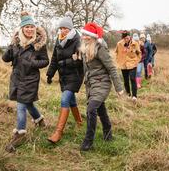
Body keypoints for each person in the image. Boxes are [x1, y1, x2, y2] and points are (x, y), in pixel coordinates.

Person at [2, 11, 49, 153]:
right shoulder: (16, 43)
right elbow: (5, 59)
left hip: (30, 79)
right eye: (27, 27)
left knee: (21, 105)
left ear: (35, 28)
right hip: (17, 78)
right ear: (22, 28)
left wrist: (33, 63)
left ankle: (20, 133)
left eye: (32, 27)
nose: (29, 29)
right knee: (27, 103)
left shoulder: (38, 44)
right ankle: (40, 121)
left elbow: (45, 61)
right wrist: (10, 47)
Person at [79, 22, 123, 151]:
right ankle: (108, 133)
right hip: (91, 84)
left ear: (93, 36)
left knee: (91, 109)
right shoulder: (84, 48)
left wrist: (119, 88)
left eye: (87, 35)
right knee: (100, 107)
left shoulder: (100, 48)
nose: (85, 37)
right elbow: (86, 68)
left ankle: (88, 141)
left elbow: (112, 68)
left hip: (102, 82)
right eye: (83, 35)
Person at [46, 11, 84, 144]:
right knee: (71, 100)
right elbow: (55, 59)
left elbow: (80, 61)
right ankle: (79, 121)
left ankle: (58, 132)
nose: (63, 31)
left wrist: (66, 62)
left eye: (65, 28)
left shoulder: (77, 40)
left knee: (65, 99)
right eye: (61, 28)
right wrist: (50, 74)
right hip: (63, 76)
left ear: (71, 29)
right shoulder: (58, 40)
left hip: (75, 76)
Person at [115, 30, 141, 101]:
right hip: (123, 64)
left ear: (130, 37)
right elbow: (116, 53)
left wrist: (136, 61)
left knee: (132, 78)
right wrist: (119, 61)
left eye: (127, 38)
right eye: (125, 38)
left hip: (132, 63)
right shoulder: (119, 44)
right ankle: (128, 94)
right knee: (126, 80)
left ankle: (134, 96)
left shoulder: (135, 43)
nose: (126, 39)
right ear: (122, 38)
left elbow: (139, 53)